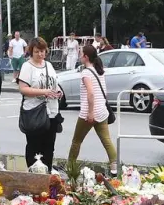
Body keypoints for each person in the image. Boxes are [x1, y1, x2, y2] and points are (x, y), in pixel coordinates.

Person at [67, 43, 117, 173]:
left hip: (88, 113)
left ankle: (70, 169)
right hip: (102, 111)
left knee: (76, 141)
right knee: (107, 141)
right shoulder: (99, 70)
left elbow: (90, 93)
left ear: (86, 57)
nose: (79, 56)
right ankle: (115, 169)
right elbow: (103, 92)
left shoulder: (85, 72)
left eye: (81, 54)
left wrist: (90, 113)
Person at [15, 37, 62, 170]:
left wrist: (58, 92)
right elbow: (23, 89)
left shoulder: (49, 65)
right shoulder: (27, 66)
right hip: (34, 112)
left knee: (49, 146)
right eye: (37, 52)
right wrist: (44, 92)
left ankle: (47, 174)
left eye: (42, 51)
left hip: (51, 111)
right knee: (34, 146)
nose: (40, 54)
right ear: (31, 52)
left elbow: (54, 84)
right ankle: (33, 173)